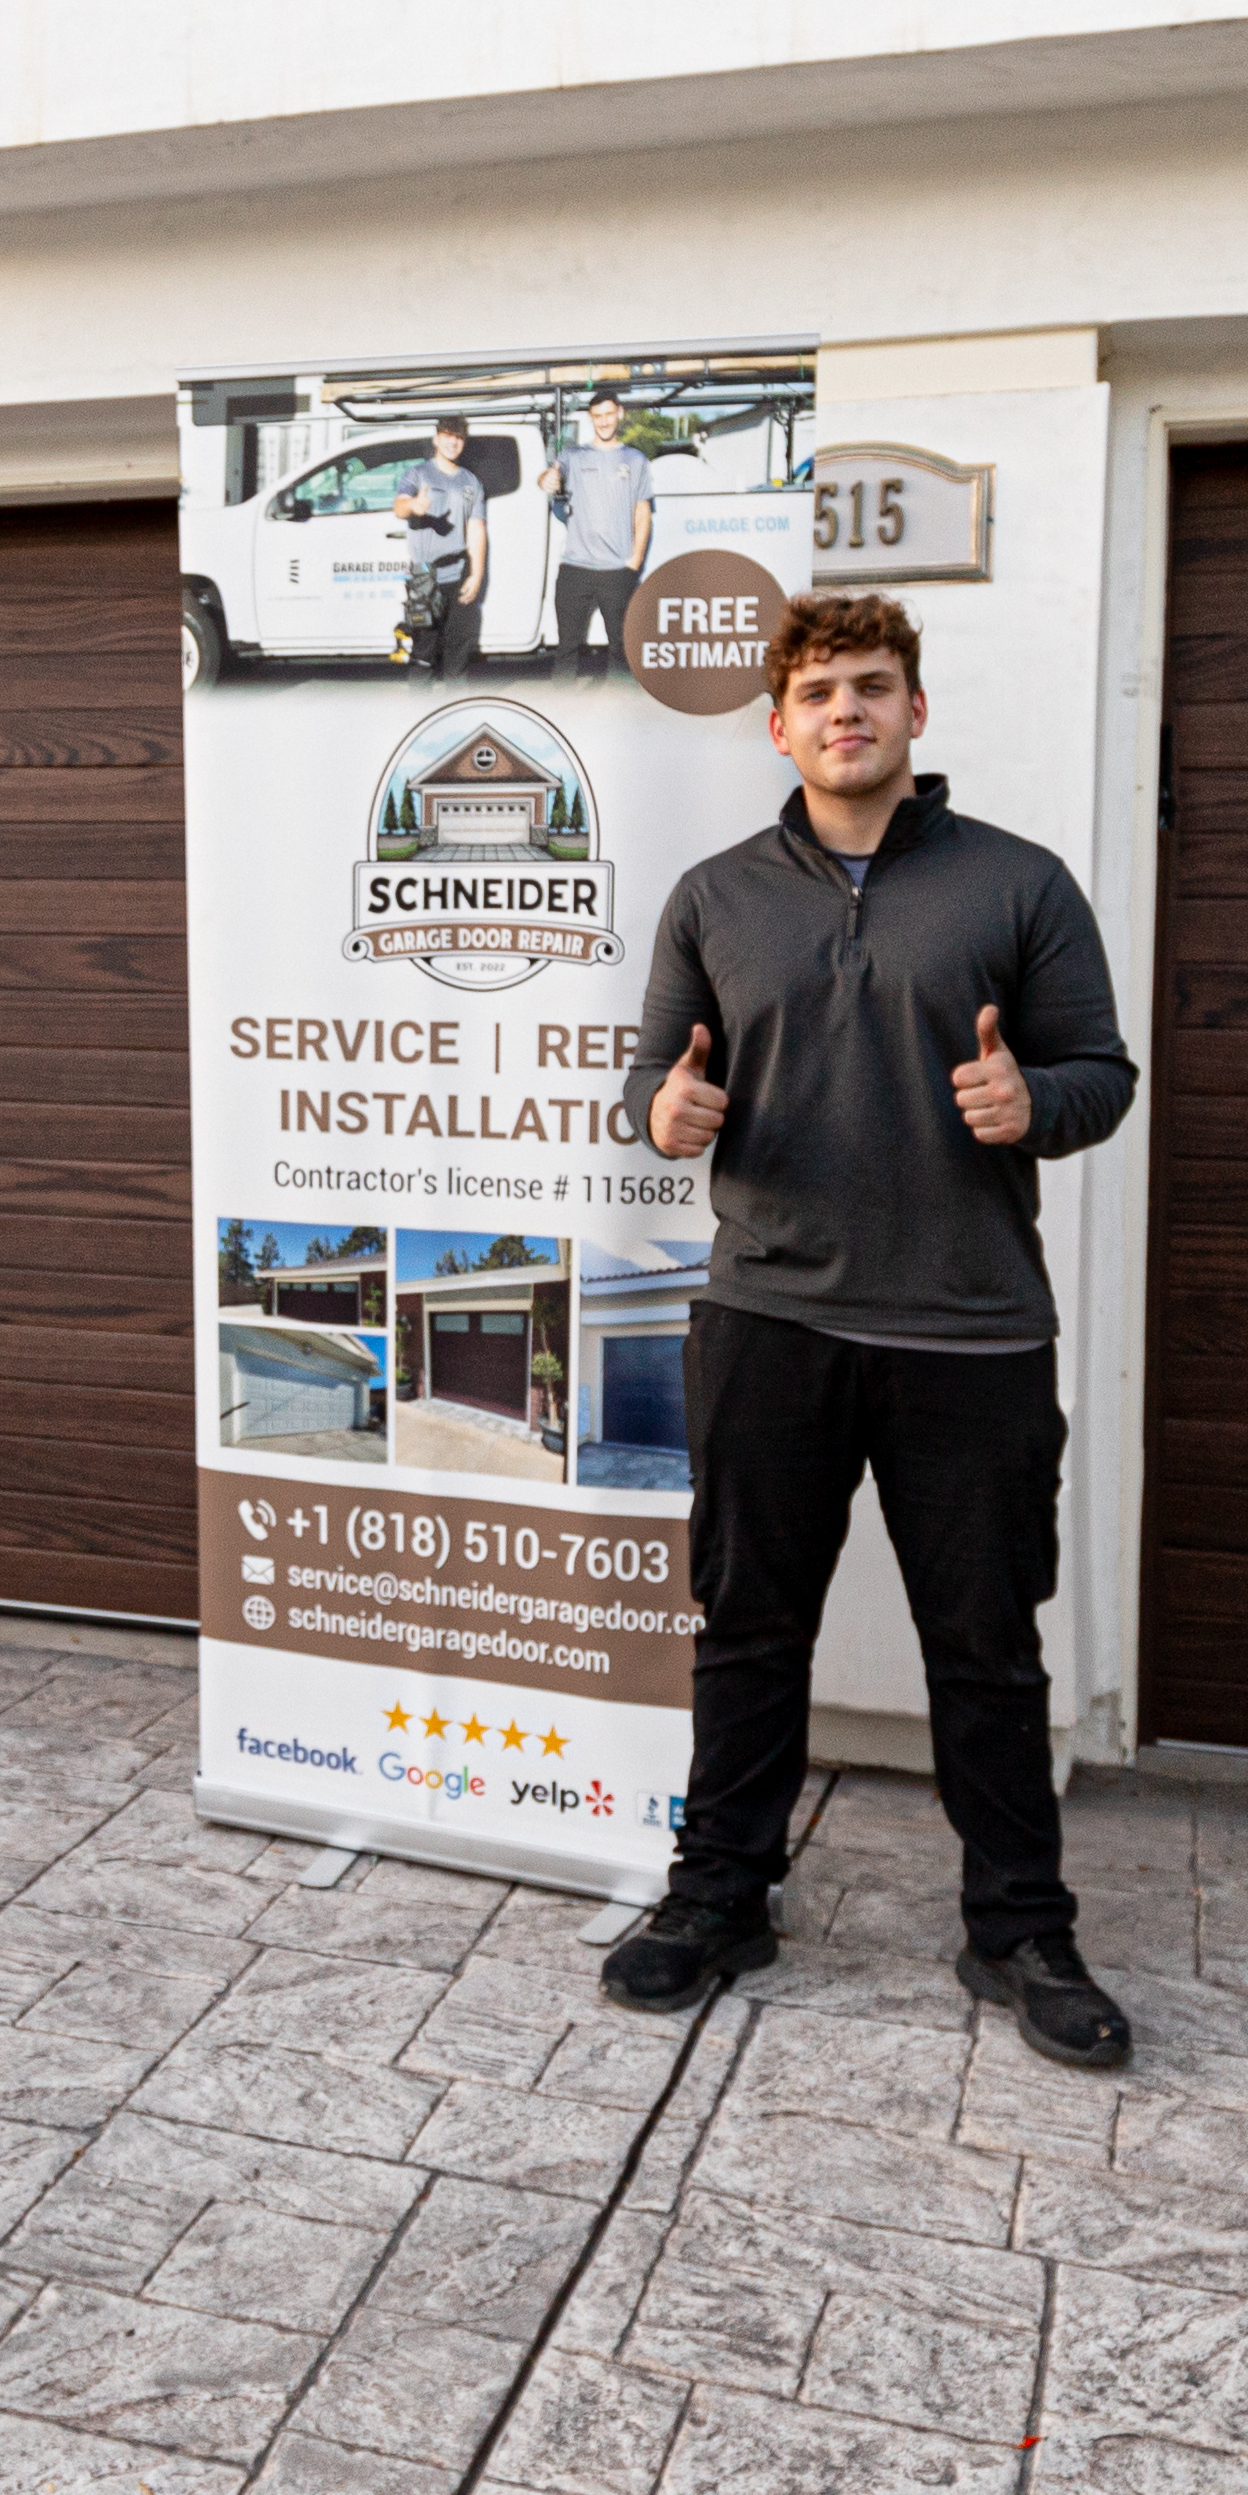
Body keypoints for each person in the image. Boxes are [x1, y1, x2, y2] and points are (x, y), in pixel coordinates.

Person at [612, 590, 1142, 2067]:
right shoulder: (716, 896)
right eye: (817, 693)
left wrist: (1037, 1101)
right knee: (748, 1631)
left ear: (916, 710)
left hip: (971, 1334)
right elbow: (652, 1075)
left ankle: (1020, 1929)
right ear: (778, 730)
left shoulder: (1019, 885)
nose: (845, 709)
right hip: (768, 1320)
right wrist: (665, 1111)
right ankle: (720, 1896)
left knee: (986, 1649)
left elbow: (1102, 1071)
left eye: (871, 685)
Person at [543, 390, 659, 679]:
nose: (604, 421)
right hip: (575, 568)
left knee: (621, 648)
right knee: (566, 648)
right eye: (597, 416)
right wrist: (546, 479)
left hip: (617, 570)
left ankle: (619, 704)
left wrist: (635, 561)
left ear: (619, 413)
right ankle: (562, 703)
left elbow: (642, 512)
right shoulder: (573, 455)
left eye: (608, 414)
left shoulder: (635, 460)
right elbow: (550, 475)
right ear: (590, 418)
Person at [398, 415, 489, 687]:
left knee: (458, 651)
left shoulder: (470, 482)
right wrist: (413, 505)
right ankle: (420, 707)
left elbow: (476, 529)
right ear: (436, 439)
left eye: (459, 437)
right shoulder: (417, 474)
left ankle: (457, 706)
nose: (453, 442)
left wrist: (476, 574)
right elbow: (399, 506)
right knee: (424, 652)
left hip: (459, 573)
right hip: (426, 577)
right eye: (448, 436)